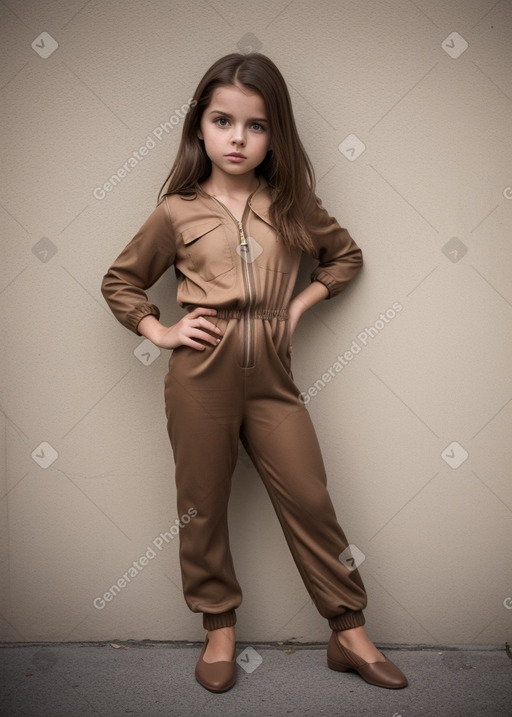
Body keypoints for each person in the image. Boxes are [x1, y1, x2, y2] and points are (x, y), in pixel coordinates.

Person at [101, 52, 408, 693]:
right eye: (222, 120)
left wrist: (297, 305)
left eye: (256, 125)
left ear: (275, 134)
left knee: (311, 500)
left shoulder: (291, 205)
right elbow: (121, 280)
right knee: (202, 507)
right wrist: (160, 331)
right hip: (200, 376)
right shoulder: (176, 211)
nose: (237, 137)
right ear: (201, 129)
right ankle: (219, 630)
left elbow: (344, 256)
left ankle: (348, 631)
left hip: (272, 376)